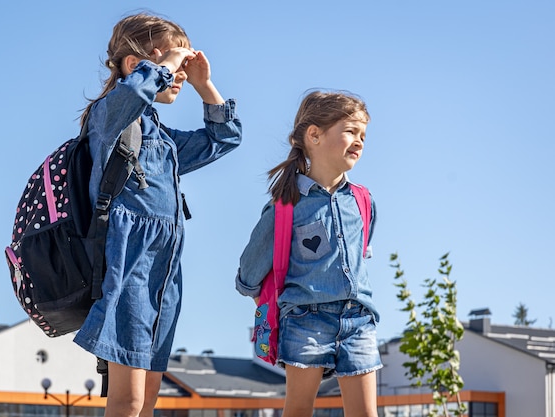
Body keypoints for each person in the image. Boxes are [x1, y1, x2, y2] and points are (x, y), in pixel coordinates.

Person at [73, 12, 242, 417]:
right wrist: (163, 67)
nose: (179, 74)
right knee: (127, 399)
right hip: (127, 265)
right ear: (136, 65)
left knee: (147, 399)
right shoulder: (110, 118)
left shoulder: (163, 139)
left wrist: (204, 84)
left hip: (164, 275)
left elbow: (225, 138)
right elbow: (131, 97)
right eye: (174, 65)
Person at [235, 90, 380, 417]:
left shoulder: (363, 201)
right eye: (350, 131)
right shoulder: (285, 208)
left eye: (363, 135)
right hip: (305, 320)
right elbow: (249, 272)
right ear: (314, 135)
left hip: (358, 318)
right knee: (299, 409)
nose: (359, 141)